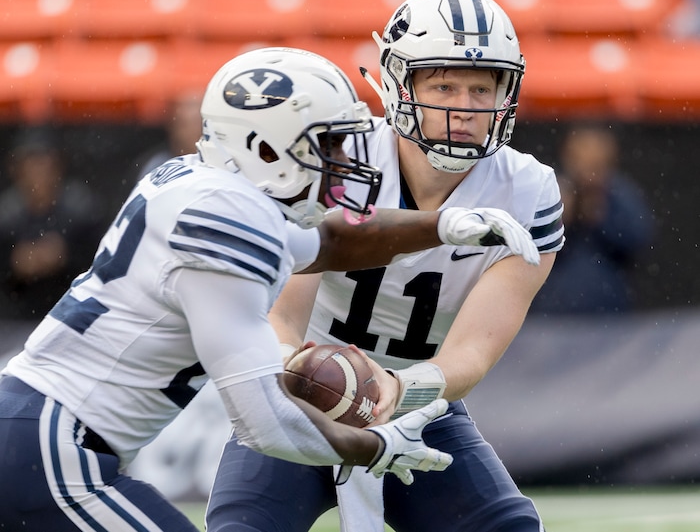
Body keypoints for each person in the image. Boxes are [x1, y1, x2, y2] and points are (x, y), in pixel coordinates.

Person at [0, 46, 541, 531]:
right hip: (51, 443)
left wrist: (440, 226)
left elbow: (330, 245)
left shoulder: (207, 188)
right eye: (326, 143)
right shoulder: (227, 225)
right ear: (262, 146)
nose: (344, 162)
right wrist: (376, 445)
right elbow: (266, 422)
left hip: (37, 431)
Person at [206, 0, 565, 532]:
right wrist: (300, 371)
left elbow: (472, 353)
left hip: (419, 402)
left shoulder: (530, 191)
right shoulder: (341, 158)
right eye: (444, 84)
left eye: (480, 89)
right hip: (302, 389)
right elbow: (282, 315)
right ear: (398, 83)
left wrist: (397, 390)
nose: (464, 109)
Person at [530, 123, 652, 315]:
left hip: (610, 313)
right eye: (581, 157)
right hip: (552, 314)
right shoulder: (551, 190)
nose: (588, 168)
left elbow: (639, 241)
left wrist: (601, 215)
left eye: (596, 161)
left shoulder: (620, 194)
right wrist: (559, 219)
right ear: (568, 155)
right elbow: (526, 246)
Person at [0, 128, 104, 321]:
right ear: (17, 169)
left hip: (71, 316)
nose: (38, 172)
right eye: (31, 164)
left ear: (58, 166)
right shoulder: (7, 214)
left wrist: (65, 256)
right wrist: (16, 263)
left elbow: (102, 263)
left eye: (45, 163)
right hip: (15, 319)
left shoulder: (80, 208)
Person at [134, 90, 204, 181]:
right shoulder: (157, 167)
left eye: (199, 124)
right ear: (172, 126)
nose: (195, 131)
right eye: (184, 124)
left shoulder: (220, 164)